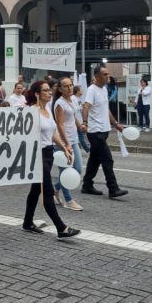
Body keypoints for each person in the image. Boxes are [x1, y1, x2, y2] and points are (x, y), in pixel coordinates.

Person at [21, 81, 81, 240]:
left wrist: (64, 147)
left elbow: (53, 133)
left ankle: (27, 222)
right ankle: (61, 228)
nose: (50, 92)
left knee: (35, 189)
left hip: (48, 153)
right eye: (45, 90)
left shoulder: (46, 108)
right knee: (47, 191)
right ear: (37, 94)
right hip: (37, 154)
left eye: (49, 90)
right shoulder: (31, 111)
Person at [81, 65, 127, 199]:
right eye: (105, 74)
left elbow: (106, 110)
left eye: (108, 74)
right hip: (95, 131)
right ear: (97, 76)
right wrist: (84, 123)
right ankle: (113, 188)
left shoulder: (104, 89)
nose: (108, 76)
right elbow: (85, 107)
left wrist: (116, 124)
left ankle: (87, 185)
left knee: (94, 160)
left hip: (104, 130)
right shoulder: (91, 90)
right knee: (107, 159)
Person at [52, 78, 84, 211]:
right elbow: (59, 124)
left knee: (77, 169)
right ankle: (68, 200)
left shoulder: (72, 100)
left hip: (73, 139)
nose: (70, 88)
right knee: (65, 171)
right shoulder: (59, 103)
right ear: (60, 89)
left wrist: (80, 125)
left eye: (71, 85)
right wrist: (65, 143)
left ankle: (55, 188)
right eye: (66, 86)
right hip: (63, 142)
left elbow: (73, 116)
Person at [72, 85, 90, 153]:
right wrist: (82, 107)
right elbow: (74, 109)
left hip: (80, 120)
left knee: (81, 135)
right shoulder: (73, 98)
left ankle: (87, 149)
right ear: (77, 91)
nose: (82, 91)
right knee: (81, 136)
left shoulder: (79, 99)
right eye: (81, 89)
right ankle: (88, 149)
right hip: (76, 121)